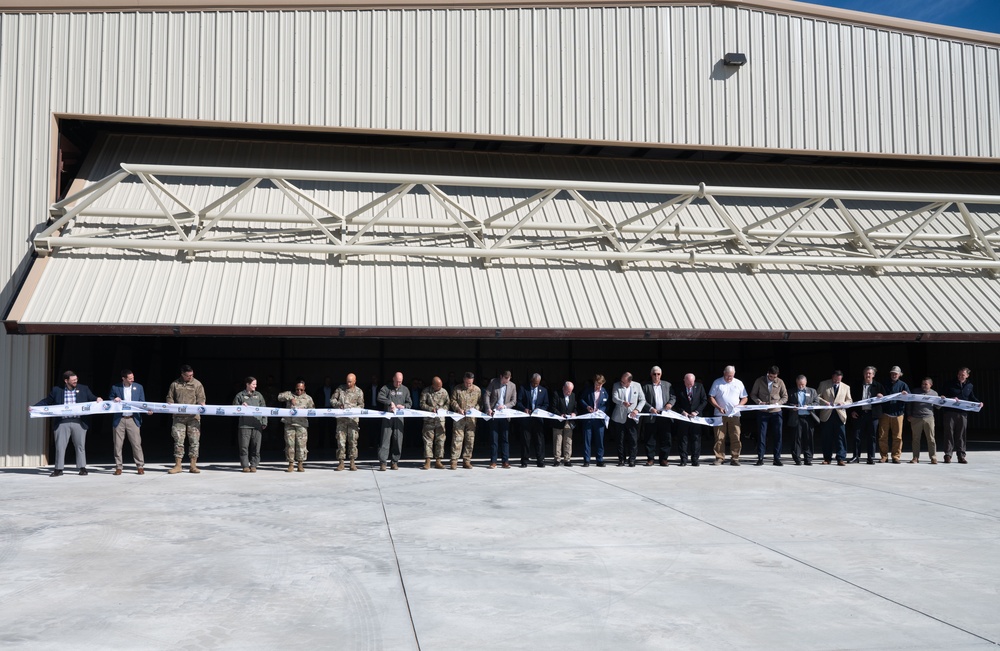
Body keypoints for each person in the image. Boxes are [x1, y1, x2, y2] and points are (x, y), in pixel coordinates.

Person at [32, 370, 102, 477]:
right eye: (73, 380)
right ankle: (58, 469)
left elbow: (92, 397)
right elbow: (47, 401)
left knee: (80, 446)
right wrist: (34, 407)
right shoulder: (57, 390)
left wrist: (98, 398)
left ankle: (82, 468)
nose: (75, 381)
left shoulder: (83, 388)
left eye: (76, 379)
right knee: (60, 446)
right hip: (62, 422)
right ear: (66, 381)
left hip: (78, 421)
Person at [166, 364, 206, 474]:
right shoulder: (175, 384)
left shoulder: (197, 384)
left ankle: (193, 465)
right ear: (182, 374)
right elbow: (170, 397)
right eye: (188, 376)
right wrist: (170, 403)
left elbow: (201, 397)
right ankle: (178, 465)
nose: (190, 377)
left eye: (192, 375)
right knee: (178, 441)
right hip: (179, 418)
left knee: (194, 441)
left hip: (193, 418)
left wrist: (201, 403)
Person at [108, 369, 149, 475]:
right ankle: (118, 466)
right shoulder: (115, 387)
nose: (132, 380)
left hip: (133, 419)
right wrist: (114, 399)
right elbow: (110, 399)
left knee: (136, 444)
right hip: (120, 419)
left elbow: (142, 403)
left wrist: (147, 410)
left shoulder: (139, 387)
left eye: (133, 378)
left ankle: (140, 466)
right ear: (124, 379)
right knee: (118, 444)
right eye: (130, 378)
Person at [940, 367, 982, 464]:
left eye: (962, 375)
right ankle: (948, 455)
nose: (960, 376)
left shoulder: (969, 385)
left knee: (961, 435)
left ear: (967, 375)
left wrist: (978, 403)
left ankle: (961, 456)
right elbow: (942, 395)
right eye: (959, 374)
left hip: (962, 413)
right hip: (950, 412)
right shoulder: (949, 383)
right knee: (948, 433)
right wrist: (950, 398)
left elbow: (971, 397)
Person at [749, 365, 788, 466]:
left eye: (775, 377)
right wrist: (759, 402)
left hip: (776, 412)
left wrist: (778, 403)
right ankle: (760, 457)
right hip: (763, 412)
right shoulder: (759, 381)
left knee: (778, 435)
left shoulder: (780, 382)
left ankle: (777, 458)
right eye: (771, 376)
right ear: (768, 374)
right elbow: (753, 394)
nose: (773, 378)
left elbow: (785, 397)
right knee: (762, 435)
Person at [709, 366, 748, 466]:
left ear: (734, 374)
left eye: (731, 376)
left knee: (735, 436)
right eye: (727, 376)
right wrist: (718, 407)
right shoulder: (717, 382)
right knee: (719, 437)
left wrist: (740, 405)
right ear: (724, 373)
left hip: (735, 414)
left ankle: (735, 458)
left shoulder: (739, 383)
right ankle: (719, 457)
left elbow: (745, 398)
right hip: (719, 414)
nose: (729, 378)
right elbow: (711, 397)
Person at [642, 366, 676, 466]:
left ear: (661, 375)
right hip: (651, 416)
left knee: (666, 438)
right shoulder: (645, 386)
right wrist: (650, 408)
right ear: (651, 375)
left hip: (664, 416)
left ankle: (664, 459)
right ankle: (650, 459)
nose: (656, 376)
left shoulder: (667, 385)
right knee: (650, 438)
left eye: (658, 374)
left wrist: (670, 404)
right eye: (654, 374)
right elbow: (642, 400)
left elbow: (673, 396)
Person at [849, 366, 883, 464]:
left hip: (873, 415)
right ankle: (856, 456)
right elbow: (851, 399)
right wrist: (852, 411)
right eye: (866, 373)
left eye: (869, 373)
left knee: (871, 436)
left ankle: (870, 457)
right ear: (863, 374)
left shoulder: (878, 386)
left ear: (873, 375)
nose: (868, 375)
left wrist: (881, 397)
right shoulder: (857, 385)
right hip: (859, 414)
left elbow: (885, 399)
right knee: (856, 436)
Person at [377, 372, 411, 471]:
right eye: (397, 382)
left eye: (400, 382)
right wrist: (389, 402)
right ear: (393, 379)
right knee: (385, 439)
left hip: (399, 418)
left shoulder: (405, 389)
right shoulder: (386, 388)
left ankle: (394, 462)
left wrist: (404, 406)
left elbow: (410, 403)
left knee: (398, 439)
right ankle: (383, 462)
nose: (398, 384)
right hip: (388, 417)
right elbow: (380, 397)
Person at [483, 370, 517, 469]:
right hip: (494, 414)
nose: (505, 382)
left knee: (505, 439)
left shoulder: (512, 386)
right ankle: (493, 461)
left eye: (508, 380)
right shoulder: (494, 382)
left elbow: (514, 401)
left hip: (505, 415)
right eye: (504, 380)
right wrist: (488, 408)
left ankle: (505, 461)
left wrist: (505, 406)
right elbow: (487, 395)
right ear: (501, 376)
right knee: (494, 438)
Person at [611, 372, 646, 467]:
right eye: (621, 380)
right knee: (620, 439)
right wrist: (622, 402)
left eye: (623, 381)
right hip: (619, 416)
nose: (621, 383)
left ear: (629, 381)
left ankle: (632, 459)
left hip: (632, 416)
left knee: (633, 439)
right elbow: (614, 398)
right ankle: (621, 459)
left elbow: (642, 400)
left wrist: (637, 409)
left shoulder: (637, 386)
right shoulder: (616, 385)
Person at [278, 380, 314, 472]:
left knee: (301, 445)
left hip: (301, 425)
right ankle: (290, 463)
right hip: (289, 424)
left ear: (304, 388)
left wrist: (304, 410)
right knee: (290, 445)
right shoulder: (290, 394)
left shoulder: (308, 398)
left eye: (301, 390)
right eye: (297, 389)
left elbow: (313, 410)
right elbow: (279, 397)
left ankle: (300, 464)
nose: (299, 391)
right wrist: (290, 398)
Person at [817, 370, 852, 466]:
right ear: (832, 377)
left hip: (839, 415)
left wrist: (843, 403)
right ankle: (827, 458)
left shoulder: (846, 387)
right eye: (835, 380)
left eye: (839, 381)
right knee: (826, 437)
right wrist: (825, 403)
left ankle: (841, 458)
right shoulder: (823, 384)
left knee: (840, 437)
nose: (837, 382)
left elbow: (849, 400)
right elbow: (817, 397)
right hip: (827, 414)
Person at [233, 376, 267, 473]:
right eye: (253, 384)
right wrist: (240, 406)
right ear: (247, 384)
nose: (255, 386)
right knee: (244, 447)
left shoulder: (259, 395)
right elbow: (233, 408)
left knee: (256, 447)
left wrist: (264, 422)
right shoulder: (240, 395)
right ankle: (245, 465)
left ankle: (254, 465)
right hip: (244, 425)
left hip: (257, 425)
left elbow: (264, 409)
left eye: (256, 384)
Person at [332, 373, 365, 471]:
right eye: (347, 381)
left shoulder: (359, 391)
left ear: (355, 381)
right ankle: (341, 462)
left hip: (353, 421)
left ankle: (352, 462)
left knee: (353, 441)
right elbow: (332, 399)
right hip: (341, 421)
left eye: (350, 381)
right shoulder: (340, 389)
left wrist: (352, 409)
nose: (348, 383)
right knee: (341, 441)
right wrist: (338, 404)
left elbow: (361, 405)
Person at [877, 366, 909, 464]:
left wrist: (905, 394)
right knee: (882, 436)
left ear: (900, 375)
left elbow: (909, 398)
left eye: (896, 373)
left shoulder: (903, 385)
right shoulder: (884, 383)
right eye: (892, 373)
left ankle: (896, 456)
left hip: (898, 414)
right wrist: (879, 395)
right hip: (885, 413)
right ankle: (884, 456)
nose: (894, 375)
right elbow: (877, 394)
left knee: (898, 437)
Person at [516, 373, 549, 468]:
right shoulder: (523, 388)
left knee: (539, 440)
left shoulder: (544, 390)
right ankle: (524, 461)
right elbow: (519, 402)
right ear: (531, 380)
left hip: (538, 419)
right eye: (534, 383)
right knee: (526, 440)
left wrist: (539, 410)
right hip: (526, 419)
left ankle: (540, 460)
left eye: (538, 383)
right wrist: (524, 409)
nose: (536, 385)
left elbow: (546, 404)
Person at [674, 373, 708, 467]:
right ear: (684, 380)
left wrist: (697, 411)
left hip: (695, 417)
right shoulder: (678, 388)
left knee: (696, 439)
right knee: (683, 439)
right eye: (688, 384)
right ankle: (683, 459)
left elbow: (704, 400)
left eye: (691, 384)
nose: (690, 386)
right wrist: (682, 411)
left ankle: (695, 459)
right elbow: (675, 402)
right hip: (683, 417)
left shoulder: (700, 386)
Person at [449, 372, 481, 469]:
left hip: (471, 420)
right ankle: (454, 461)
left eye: (470, 383)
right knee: (457, 440)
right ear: (464, 380)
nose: (468, 385)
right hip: (460, 418)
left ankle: (467, 460)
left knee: (470, 440)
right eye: (467, 383)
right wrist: (458, 409)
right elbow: (452, 400)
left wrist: (475, 409)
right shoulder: (457, 388)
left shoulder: (477, 390)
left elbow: (480, 403)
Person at [785, 375, 819, 466]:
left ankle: (808, 459)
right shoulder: (791, 392)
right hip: (796, 418)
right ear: (796, 383)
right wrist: (793, 406)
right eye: (799, 385)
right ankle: (797, 459)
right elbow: (786, 403)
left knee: (808, 439)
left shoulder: (812, 391)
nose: (801, 386)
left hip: (808, 418)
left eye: (802, 385)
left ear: (806, 383)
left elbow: (817, 402)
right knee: (796, 439)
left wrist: (809, 405)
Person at [419, 376, 450, 470]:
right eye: (438, 386)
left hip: (440, 420)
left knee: (440, 440)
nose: (440, 387)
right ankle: (428, 461)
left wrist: (442, 409)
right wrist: (430, 409)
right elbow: (422, 403)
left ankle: (438, 461)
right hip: (429, 420)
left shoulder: (444, 392)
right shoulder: (426, 391)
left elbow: (448, 404)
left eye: (441, 386)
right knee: (428, 440)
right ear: (433, 385)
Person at [579, 374, 609, 467]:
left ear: (603, 384)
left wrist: (601, 410)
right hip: (588, 418)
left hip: (599, 419)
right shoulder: (588, 390)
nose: (597, 386)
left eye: (600, 385)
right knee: (587, 439)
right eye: (596, 384)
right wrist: (587, 406)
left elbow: (607, 405)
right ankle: (586, 460)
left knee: (599, 440)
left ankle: (599, 459)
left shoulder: (605, 392)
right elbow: (581, 399)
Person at [908, 377, 939, 464]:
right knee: (915, 439)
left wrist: (941, 400)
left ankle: (933, 457)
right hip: (916, 418)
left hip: (929, 418)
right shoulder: (915, 391)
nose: (924, 386)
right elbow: (909, 403)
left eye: (926, 384)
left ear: (931, 385)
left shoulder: (934, 393)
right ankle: (915, 457)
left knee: (931, 438)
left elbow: (938, 406)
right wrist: (909, 414)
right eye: (922, 384)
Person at [550, 381, 577, 466]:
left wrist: (574, 413)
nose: (569, 393)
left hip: (569, 422)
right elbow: (553, 407)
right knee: (558, 440)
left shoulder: (573, 395)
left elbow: (575, 407)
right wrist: (560, 415)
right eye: (567, 391)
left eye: (570, 391)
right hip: (558, 421)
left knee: (568, 441)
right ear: (563, 388)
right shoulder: (556, 394)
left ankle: (567, 459)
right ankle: (557, 459)